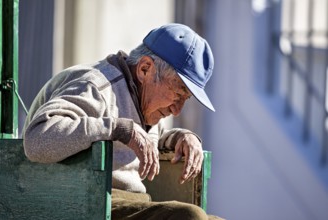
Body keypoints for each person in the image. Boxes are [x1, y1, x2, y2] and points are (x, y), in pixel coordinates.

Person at [23, 23, 223, 220]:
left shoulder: (145, 101)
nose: (177, 110)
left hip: (125, 205)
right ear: (145, 69)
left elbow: (152, 137)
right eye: (178, 93)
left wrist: (182, 137)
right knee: (190, 216)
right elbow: (36, 139)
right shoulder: (95, 88)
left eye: (185, 99)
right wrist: (118, 128)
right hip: (86, 203)